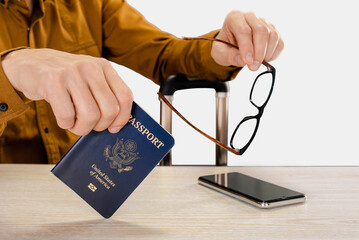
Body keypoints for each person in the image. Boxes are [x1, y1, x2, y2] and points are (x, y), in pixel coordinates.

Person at [0, 0, 284, 164]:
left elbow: (163, 56)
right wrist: (8, 72)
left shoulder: (91, 4)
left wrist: (218, 49)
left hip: (90, 187)